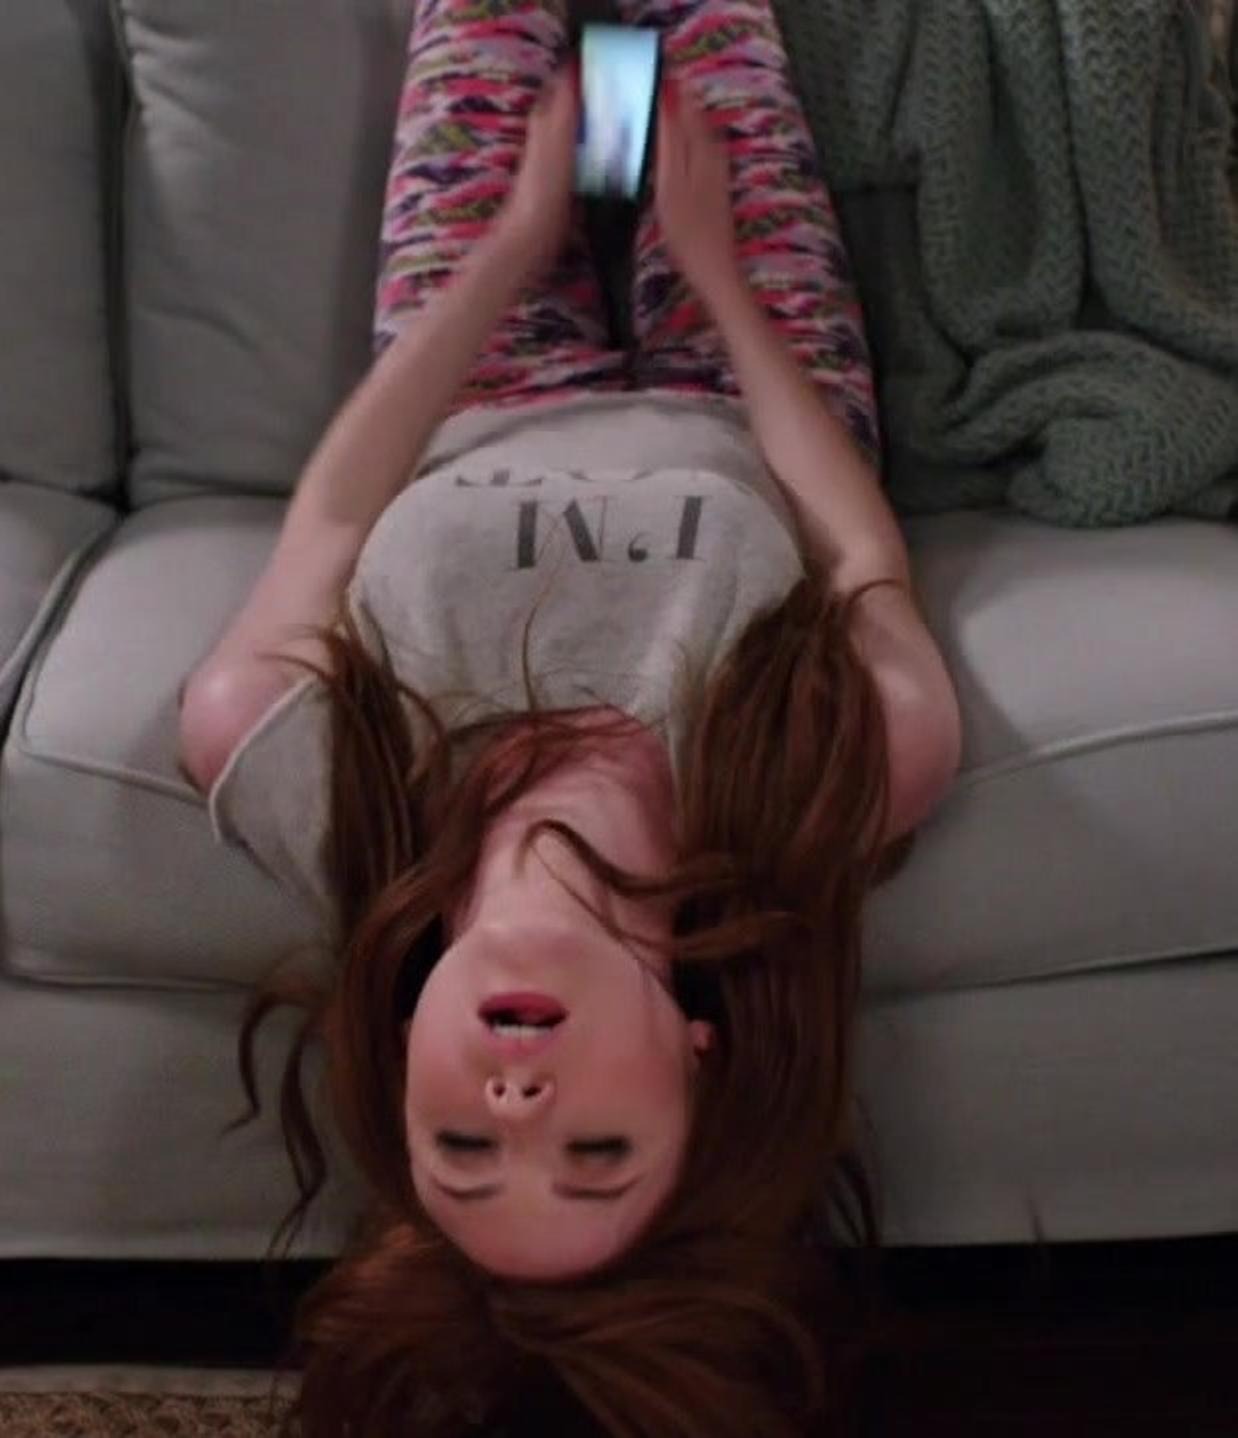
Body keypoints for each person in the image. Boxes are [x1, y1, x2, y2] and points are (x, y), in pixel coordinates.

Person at [177, 0, 962, 1433]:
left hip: (475, 386)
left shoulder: (293, 766)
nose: (516, 1105)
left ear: (404, 1065)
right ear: (695, 1064)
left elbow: (337, 513)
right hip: (742, 395)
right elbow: (860, 557)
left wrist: (513, 247)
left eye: (460, 1148)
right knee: (702, 21)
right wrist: (714, 273)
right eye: (597, 1153)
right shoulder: (835, 784)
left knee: (483, 14)